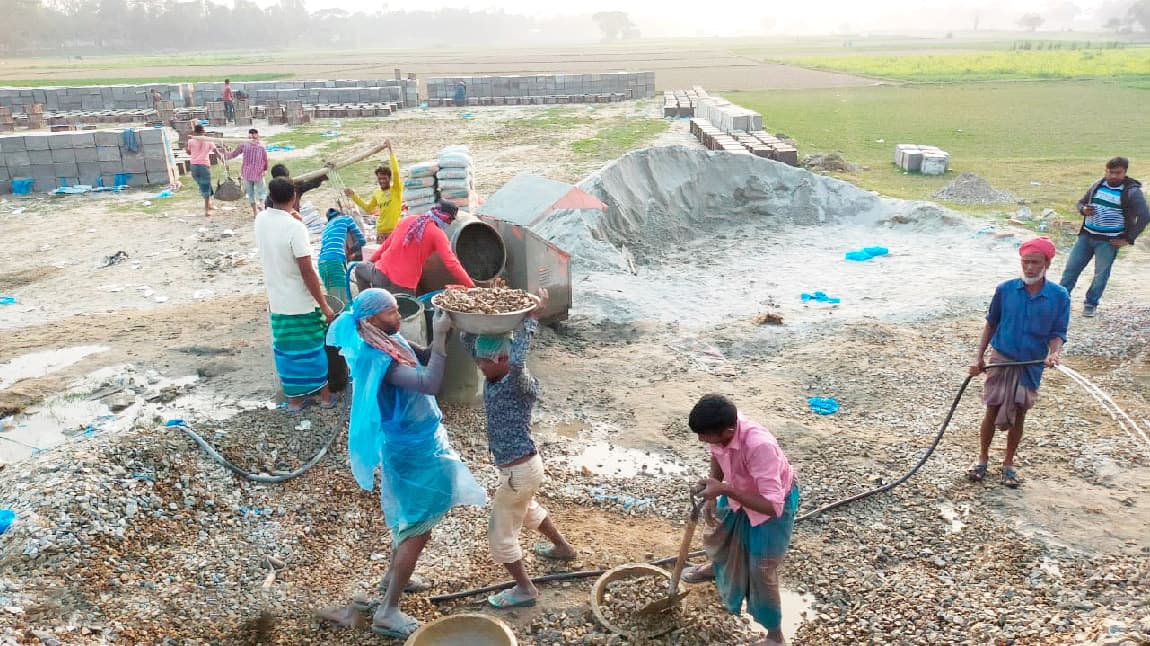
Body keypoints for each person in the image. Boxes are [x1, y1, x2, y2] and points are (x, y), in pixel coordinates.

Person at [323, 288, 487, 638]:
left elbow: (425, 356)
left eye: (397, 309)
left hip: (422, 439)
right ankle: (388, 610)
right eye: (391, 312)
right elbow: (430, 382)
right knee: (418, 527)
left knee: (412, 519)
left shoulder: (390, 338)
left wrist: (453, 328)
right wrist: (441, 335)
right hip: (413, 452)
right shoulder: (379, 357)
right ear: (370, 320)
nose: (397, 317)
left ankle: (392, 579)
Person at [459, 289, 578, 609]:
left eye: (484, 363)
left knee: (500, 533)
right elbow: (472, 343)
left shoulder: (515, 380)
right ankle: (563, 548)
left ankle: (524, 589)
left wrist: (531, 319)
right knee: (527, 511)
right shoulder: (496, 373)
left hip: (519, 471)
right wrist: (459, 317)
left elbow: (518, 359)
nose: (480, 367)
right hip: (523, 469)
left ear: (502, 359)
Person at [679, 394, 799, 646]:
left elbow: (772, 506)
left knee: (761, 569)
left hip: (768, 504)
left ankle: (775, 636)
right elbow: (717, 453)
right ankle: (717, 567)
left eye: (704, 435)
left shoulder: (759, 446)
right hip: (737, 488)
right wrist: (714, 489)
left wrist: (724, 490)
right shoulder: (723, 430)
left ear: (729, 430)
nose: (701, 440)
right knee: (721, 537)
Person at [969, 236, 1070, 488]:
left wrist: (1053, 353)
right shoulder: (1005, 289)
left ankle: (1008, 464)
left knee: (1020, 412)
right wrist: (978, 357)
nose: (1029, 268)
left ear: (1047, 263)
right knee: (992, 409)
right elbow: (991, 323)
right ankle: (982, 458)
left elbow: (1058, 332)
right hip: (1001, 359)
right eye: (1025, 262)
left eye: (1035, 263)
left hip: (1031, 363)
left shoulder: (1059, 296)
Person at [254, 178, 337, 412]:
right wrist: (324, 305)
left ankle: (295, 400)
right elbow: (307, 271)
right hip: (300, 301)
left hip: (278, 300)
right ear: (293, 198)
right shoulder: (295, 228)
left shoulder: (261, 219)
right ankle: (326, 397)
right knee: (313, 348)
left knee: (287, 351)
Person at [1058, 157, 1149, 317]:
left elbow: (1144, 216)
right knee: (1071, 270)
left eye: (1117, 173)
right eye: (1110, 172)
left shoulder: (1132, 192)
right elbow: (1081, 202)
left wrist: (1128, 239)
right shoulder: (1097, 185)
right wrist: (1083, 210)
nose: (1113, 176)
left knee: (1101, 274)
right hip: (1086, 236)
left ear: (1125, 173)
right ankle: (1059, 302)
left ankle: (1091, 304)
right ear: (1105, 170)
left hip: (1109, 242)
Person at [353, 200, 475, 294]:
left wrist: (371, 261)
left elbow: (386, 245)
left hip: (380, 275)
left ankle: (367, 305)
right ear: (446, 218)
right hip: (404, 286)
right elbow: (452, 263)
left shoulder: (408, 220)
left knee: (359, 269)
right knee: (404, 317)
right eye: (450, 221)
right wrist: (471, 286)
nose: (449, 224)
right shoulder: (437, 234)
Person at [345, 140, 403, 243]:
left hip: (394, 231)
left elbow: (396, 172)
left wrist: (390, 151)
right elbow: (368, 208)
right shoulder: (377, 193)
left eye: (384, 178)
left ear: (389, 178)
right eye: (379, 178)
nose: (382, 181)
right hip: (380, 231)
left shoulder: (396, 189)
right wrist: (353, 195)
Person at [317, 207, 366, 307]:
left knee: (334, 300)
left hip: (322, 264)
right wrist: (351, 251)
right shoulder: (346, 219)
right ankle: (345, 322)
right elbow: (362, 240)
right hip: (334, 263)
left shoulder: (326, 228)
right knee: (342, 302)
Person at [226, 128, 269, 217]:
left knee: (250, 193)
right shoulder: (261, 147)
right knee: (262, 192)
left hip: (247, 173)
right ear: (258, 136)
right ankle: (261, 205)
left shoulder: (244, 145)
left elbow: (232, 155)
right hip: (258, 173)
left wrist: (224, 152)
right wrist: (265, 169)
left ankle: (255, 212)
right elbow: (265, 160)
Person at [263, 163, 328, 212]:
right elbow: (313, 183)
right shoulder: (296, 188)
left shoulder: (270, 195)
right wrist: (323, 173)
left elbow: (313, 183)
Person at [186, 124, 217, 216]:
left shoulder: (191, 141)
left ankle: (209, 204)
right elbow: (216, 152)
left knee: (203, 185)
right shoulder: (208, 141)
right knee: (205, 187)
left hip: (194, 166)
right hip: (204, 166)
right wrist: (223, 158)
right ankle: (206, 211)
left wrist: (186, 145)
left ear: (195, 132)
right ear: (203, 132)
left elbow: (188, 152)